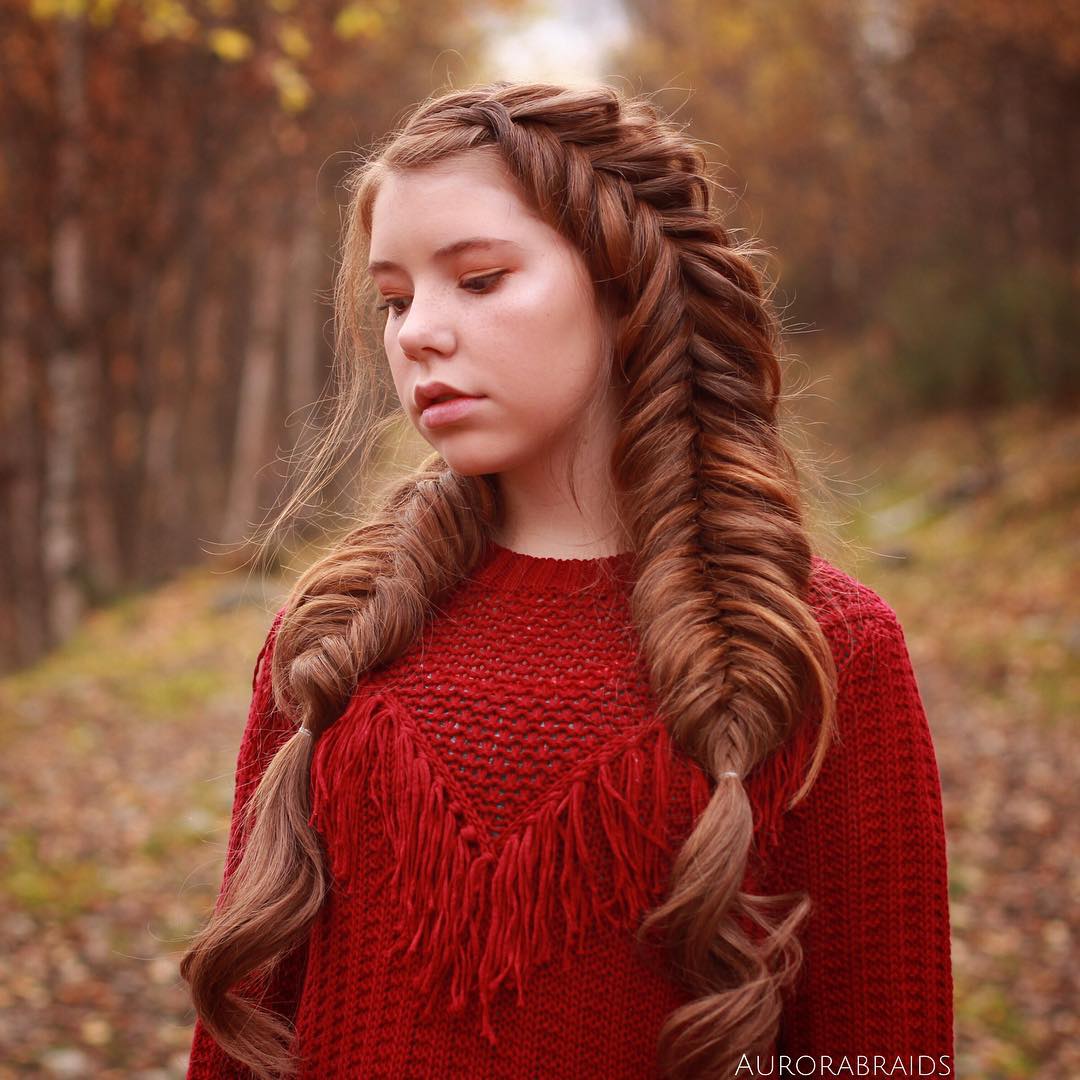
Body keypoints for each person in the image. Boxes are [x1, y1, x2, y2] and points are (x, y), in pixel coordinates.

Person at [180, 81, 954, 1079]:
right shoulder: (335, 636)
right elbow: (237, 1039)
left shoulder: (820, 649)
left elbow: (883, 1051)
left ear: (623, 285)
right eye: (395, 298)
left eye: (481, 279)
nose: (415, 333)